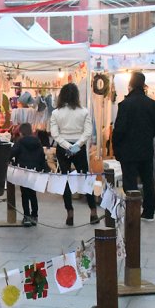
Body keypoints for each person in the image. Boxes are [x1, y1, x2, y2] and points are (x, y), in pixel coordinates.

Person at [111, 72, 155, 222]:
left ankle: (133, 210)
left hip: (128, 149)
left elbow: (119, 129)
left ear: (131, 85)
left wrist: (116, 147)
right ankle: (149, 212)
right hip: (146, 148)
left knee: (130, 181)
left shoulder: (125, 104)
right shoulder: (152, 104)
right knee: (148, 181)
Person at [50, 83, 99, 226]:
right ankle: (93, 212)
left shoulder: (56, 113)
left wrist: (67, 146)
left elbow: (55, 134)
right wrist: (76, 146)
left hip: (63, 147)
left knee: (65, 180)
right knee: (86, 179)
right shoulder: (84, 112)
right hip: (79, 148)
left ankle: (69, 212)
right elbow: (88, 132)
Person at [11, 123, 50, 226]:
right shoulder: (38, 142)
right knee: (33, 193)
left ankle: (26, 216)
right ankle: (35, 216)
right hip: (35, 171)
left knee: (25, 194)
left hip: (23, 170)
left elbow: (12, 153)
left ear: (20, 132)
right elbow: (42, 156)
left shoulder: (20, 142)